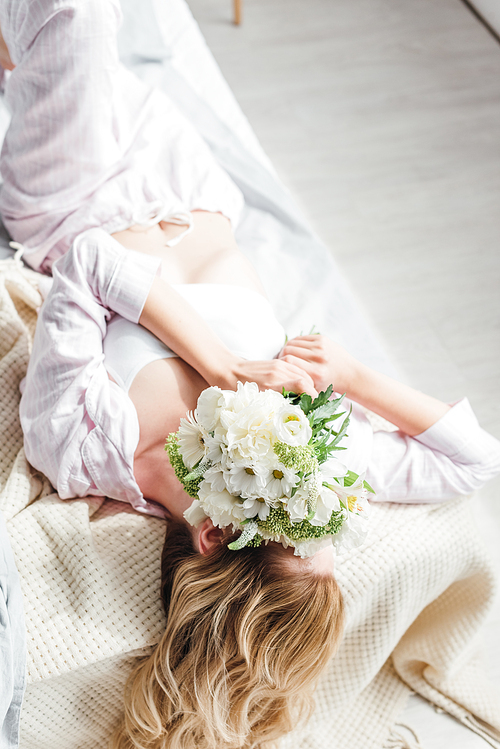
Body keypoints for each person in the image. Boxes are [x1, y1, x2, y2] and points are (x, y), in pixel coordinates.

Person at [1, 2, 500, 748]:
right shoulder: (311, 457)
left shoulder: (85, 447)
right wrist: (351, 374)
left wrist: (216, 363)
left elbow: (89, 264)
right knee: (66, 48)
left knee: (77, 14)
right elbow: (475, 460)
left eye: (308, 521)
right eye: (332, 513)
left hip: (77, 192)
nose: (325, 491)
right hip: (190, 179)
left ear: (213, 533)